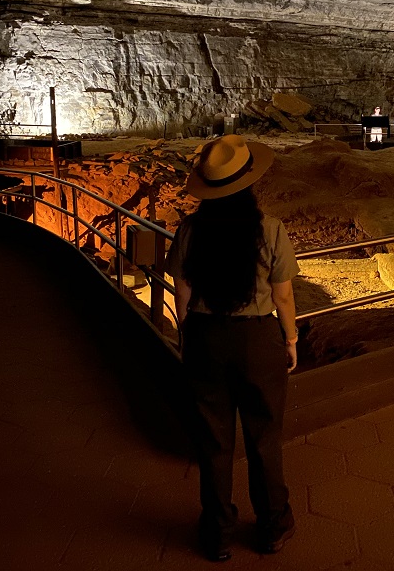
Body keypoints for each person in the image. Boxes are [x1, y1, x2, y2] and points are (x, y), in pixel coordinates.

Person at [164, 134, 299, 562]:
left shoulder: (190, 229)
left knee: (214, 442)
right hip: (258, 341)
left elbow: (180, 291)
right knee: (264, 439)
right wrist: (290, 339)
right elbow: (282, 297)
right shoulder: (270, 229)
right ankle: (272, 527)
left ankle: (218, 532)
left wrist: (190, 335)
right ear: (248, 182)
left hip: (206, 338)